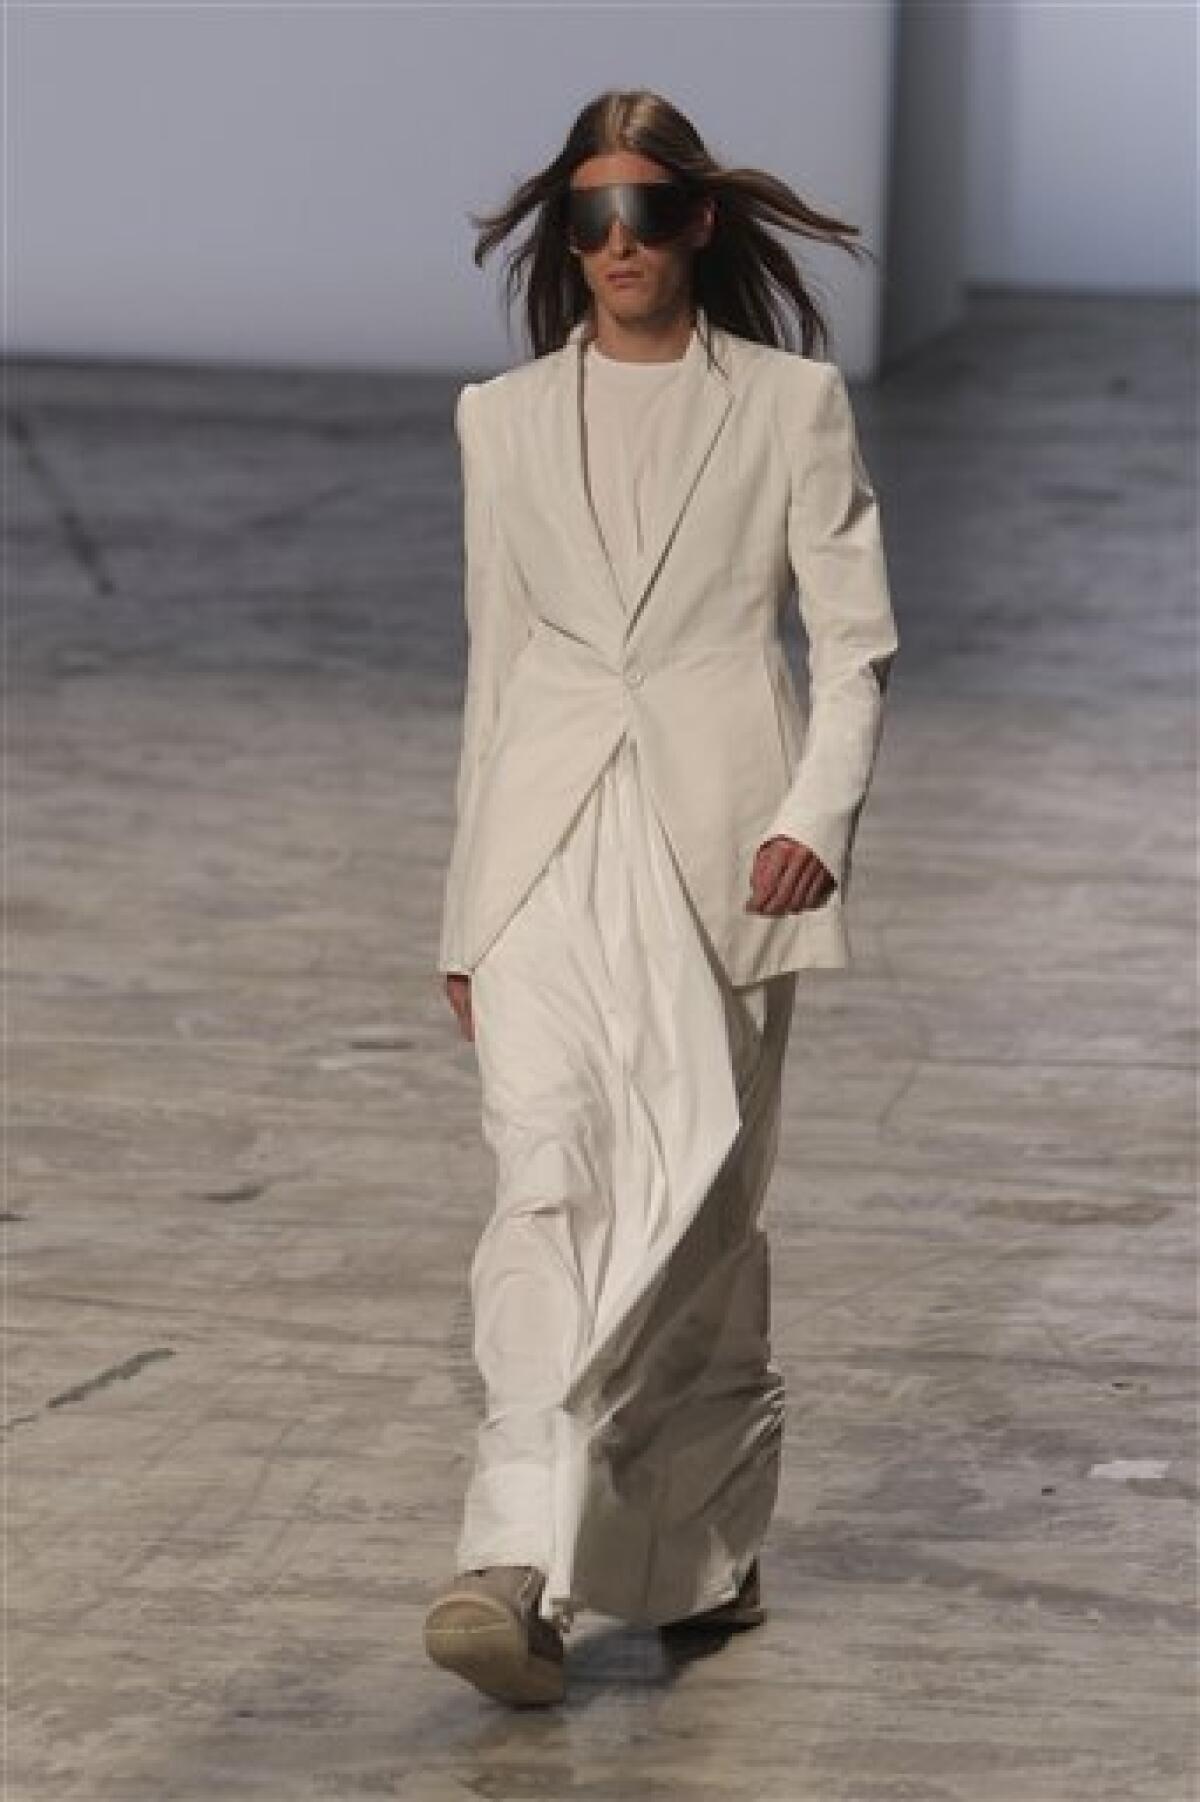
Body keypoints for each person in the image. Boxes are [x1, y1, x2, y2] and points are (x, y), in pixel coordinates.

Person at [424, 88, 899, 1706]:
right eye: (587, 217)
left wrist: (815, 814)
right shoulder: (500, 417)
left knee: (697, 1204)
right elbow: (499, 670)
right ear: (565, 237)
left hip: (722, 842)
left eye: (643, 211)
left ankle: (697, 1547)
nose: (614, 244)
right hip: (543, 848)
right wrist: (461, 914)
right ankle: (509, 1557)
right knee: (546, 1180)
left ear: (697, 222)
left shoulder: (788, 404)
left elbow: (851, 643)